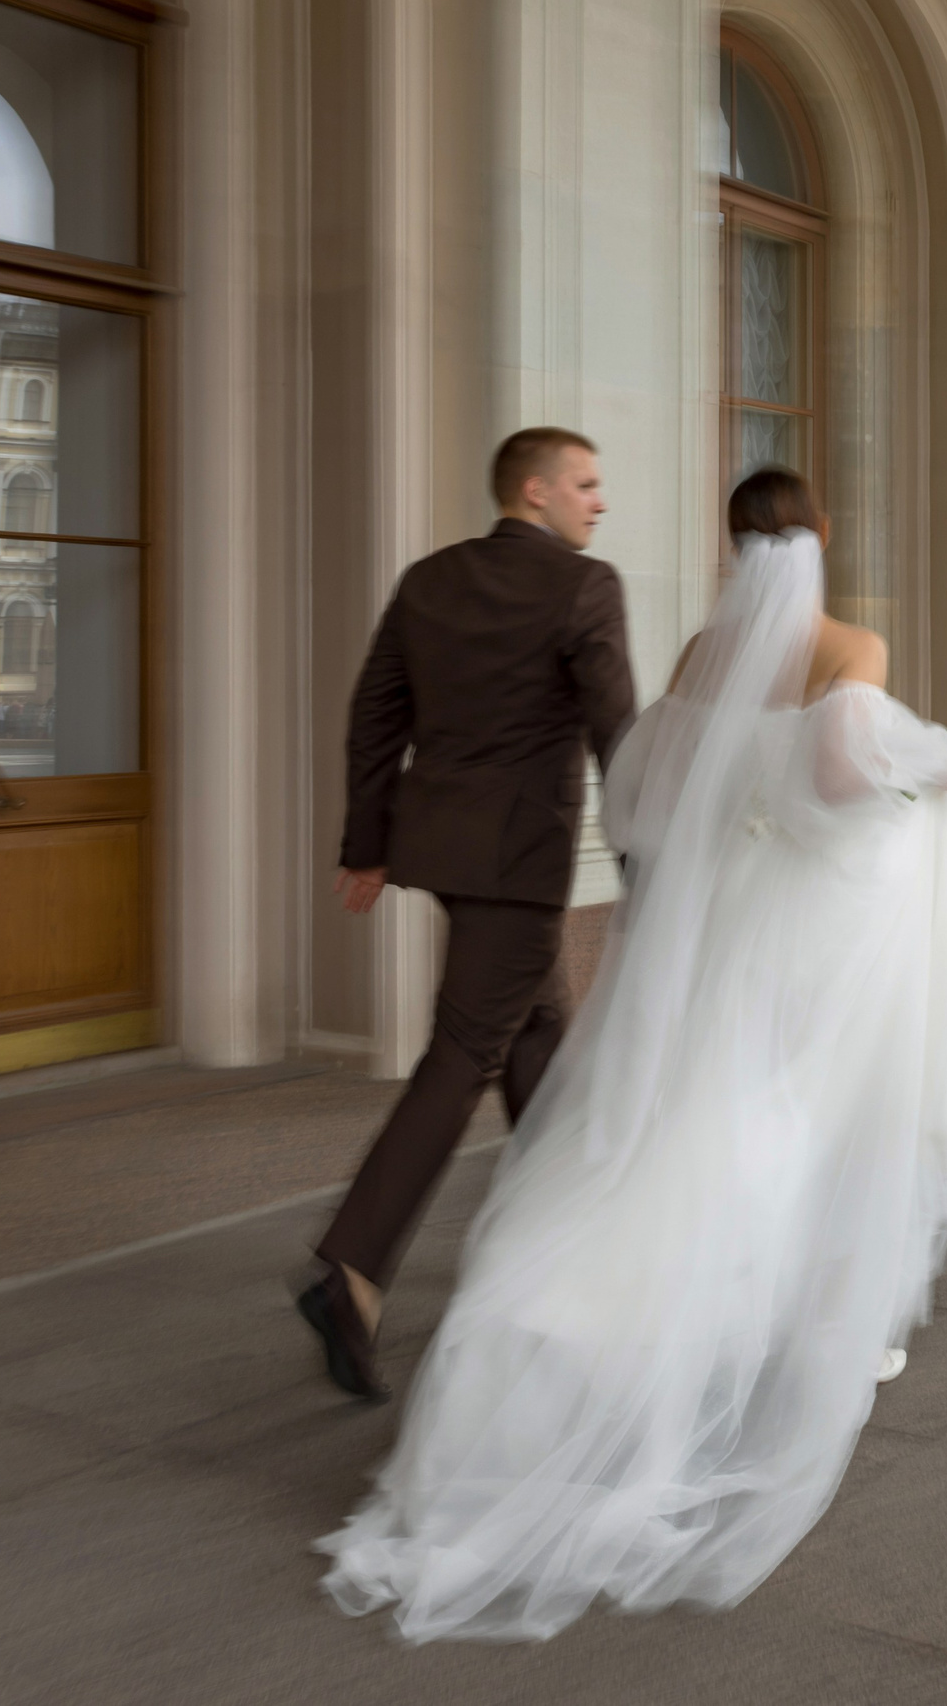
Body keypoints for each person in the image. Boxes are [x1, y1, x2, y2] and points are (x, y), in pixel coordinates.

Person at [316, 468, 947, 1643]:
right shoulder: (852, 645)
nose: (595, 496)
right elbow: (844, 778)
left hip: (717, 923)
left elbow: (647, 789)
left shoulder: (699, 654)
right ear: (822, 535)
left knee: (699, 1099)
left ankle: (610, 1300)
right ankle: (776, 1318)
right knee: (789, 1110)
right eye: (583, 482)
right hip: (808, 925)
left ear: (733, 542)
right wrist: (942, 768)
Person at [299, 427, 635, 1402]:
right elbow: (618, 733)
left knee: (538, 1033)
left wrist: (368, 842)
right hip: (522, 861)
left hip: (442, 848)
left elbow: (374, 715)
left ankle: (564, 1245)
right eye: (585, 483)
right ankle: (350, 1271)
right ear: (533, 492)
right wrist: (651, 851)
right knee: (464, 1055)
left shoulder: (429, 580)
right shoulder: (586, 587)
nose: (598, 502)